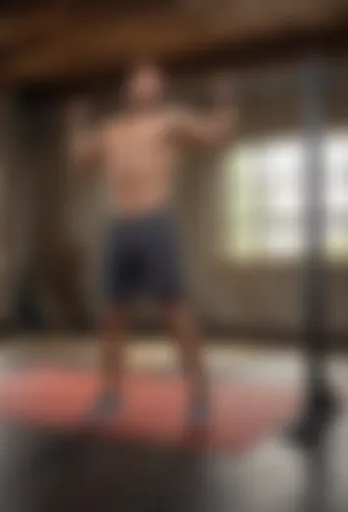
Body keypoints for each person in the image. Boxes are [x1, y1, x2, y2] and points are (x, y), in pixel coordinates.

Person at [67, 62, 238, 430]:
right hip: (119, 227)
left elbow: (218, 135)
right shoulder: (111, 128)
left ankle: (200, 399)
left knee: (176, 312)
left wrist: (224, 99)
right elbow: (81, 161)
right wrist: (76, 124)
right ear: (129, 89)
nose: (145, 90)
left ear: (160, 91)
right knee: (112, 316)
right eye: (139, 83)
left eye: (153, 84)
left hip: (156, 223)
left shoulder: (171, 120)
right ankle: (110, 396)